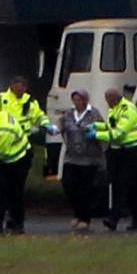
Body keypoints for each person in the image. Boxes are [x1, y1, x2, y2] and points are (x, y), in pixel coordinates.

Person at [0, 80, 33, 235]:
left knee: (15, 191)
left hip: (20, 157)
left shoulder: (4, 129)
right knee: (1, 190)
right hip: (8, 157)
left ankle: (17, 223)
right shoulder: (1, 113)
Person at [57, 89, 105, 232]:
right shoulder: (68, 114)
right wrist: (52, 129)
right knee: (68, 184)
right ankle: (78, 211)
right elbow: (60, 126)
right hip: (72, 156)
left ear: (85, 100)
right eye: (75, 99)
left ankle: (84, 217)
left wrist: (95, 132)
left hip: (89, 156)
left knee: (85, 188)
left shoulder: (93, 113)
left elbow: (102, 128)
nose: (77, 102)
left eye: (79, 99)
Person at [99, 85, 137, 232]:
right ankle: (129, 219)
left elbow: (119, 133)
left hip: (132, 151)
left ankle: (120, 219)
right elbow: (112, 126)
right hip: (118, 151)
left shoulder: (128, 109)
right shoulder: (115, 109)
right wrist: (97, 126)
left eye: (108, 100)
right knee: (120, 186)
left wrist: (97, 135)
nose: (107, 103)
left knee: (126, 185)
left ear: (114, 99)